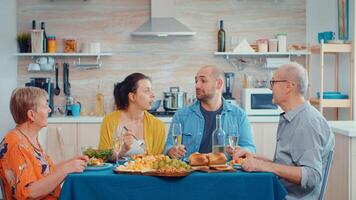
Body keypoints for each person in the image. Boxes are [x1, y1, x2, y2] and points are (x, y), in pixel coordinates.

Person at [237, 62, 335, 199]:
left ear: (288, 86)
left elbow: (312, 176)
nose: (270, 88)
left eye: (273, 82)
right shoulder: (294, 118)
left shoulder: (307, 123)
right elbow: (286, 167)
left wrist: (263, 166)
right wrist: (255, 158)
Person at [0, 87, 88, 199]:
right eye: (45, 106)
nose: (49, 110)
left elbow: (46, 172)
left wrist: (72, 162)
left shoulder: (28, 139)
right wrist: (66, 170)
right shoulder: (16, 145)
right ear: (31, 115)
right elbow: (28, 193)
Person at [164, 65, 256, 159]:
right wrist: (171, 151)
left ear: (219, 84)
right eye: (196, 81)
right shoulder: (181, 115)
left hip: (225, 171)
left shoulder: (239, 115)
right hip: (190, 172)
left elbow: (250, 148)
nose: (197, 85)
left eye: (203, 81)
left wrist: (242, 151)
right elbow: (168, 147)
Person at [98, 73, 166, 158]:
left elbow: (157, 161)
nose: (153, 95)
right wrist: (123, 149)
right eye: (146, 91)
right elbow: (103, 157)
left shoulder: (158, 126)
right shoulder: (110, 120)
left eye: (151, 90)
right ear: (132, 96)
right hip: (114, 171)